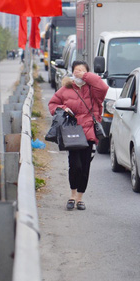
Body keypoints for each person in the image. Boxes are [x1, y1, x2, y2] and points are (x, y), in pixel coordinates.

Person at [48, 61, 108, 211]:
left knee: (85, 167)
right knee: (75, 165)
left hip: (88, 132)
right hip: (72, 132)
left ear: (87, 73)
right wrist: (64, 108)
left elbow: (103, 87)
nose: (79, 73)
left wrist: (87, 77)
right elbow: (52, 105)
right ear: (72, 72)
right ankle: (72, 195)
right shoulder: (66, 89)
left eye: (82, 70)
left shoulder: (93, 90)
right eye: (76, 70)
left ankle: (80, 198)